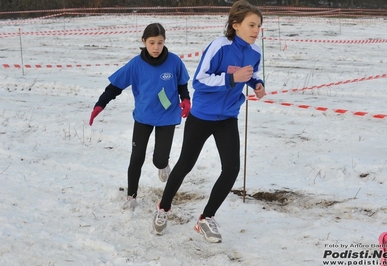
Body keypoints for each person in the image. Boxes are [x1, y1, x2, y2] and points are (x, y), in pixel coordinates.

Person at [152, 0, 266, 243]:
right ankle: (163, 207)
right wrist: (231, 78)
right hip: (202, 116)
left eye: (259, 25)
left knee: (231, 168)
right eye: (252, 25)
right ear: (236, 25)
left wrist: (257, 84)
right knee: (185, 165)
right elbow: (199, 81)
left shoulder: (255, 51)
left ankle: (206, 218)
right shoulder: (219, 46)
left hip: (227, 118)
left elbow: (253, 73)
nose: (257, 30)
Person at [89, 23, 191, 212]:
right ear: (144, 41)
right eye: (151, 42)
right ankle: (131, 196)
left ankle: (163, 165)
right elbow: (115, 87)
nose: (156, 47)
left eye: (160, 43)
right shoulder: (136, 64)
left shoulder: (174, 62)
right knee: (136, 157)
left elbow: (182, 84)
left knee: (159, 160)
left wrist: (186, 99)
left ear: (164, 42)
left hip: (167, 117)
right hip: (143, 117)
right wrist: (100, 104)